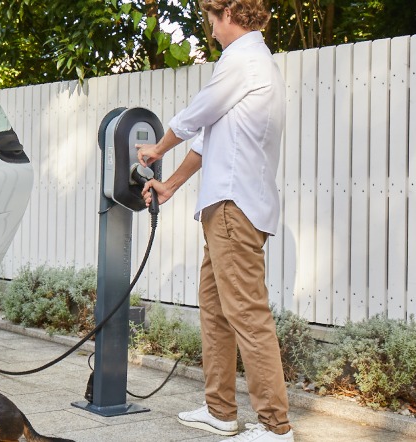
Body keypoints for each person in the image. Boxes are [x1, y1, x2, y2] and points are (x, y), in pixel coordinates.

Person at [135, 0, 293, 441]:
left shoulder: (241, 60)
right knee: (217, 310)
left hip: (232, 209)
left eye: (211, 20)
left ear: (228, 14)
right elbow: (208, 139)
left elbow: (195, 116)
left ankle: (276, 428)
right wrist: (171, 186)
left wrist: (157, 149)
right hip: (226, 207)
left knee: (246, 312)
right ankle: (221, 410)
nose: (211, 30)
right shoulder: (255, 65)